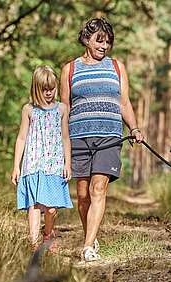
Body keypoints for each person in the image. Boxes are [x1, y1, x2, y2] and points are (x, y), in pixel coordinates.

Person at [60, 18, 145, 262]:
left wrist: (135, 127)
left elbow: (124, 103)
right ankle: (91, 235)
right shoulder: (70, 69)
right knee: (83, 195)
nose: (104, 46)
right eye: (100, 40)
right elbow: (65, 107)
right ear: (86, 39)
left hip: (109, 136)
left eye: (108, 42)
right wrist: (59, 137)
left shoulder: (117, 67)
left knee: (98, 188)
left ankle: (87, 246)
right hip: (77, 137)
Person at [11, 65, 73, 251]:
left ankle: (48, 233)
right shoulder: (29, 110)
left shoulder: (61, 109)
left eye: (51, 89)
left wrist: (67, 163)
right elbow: (21, 138)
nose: (48, 93)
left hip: (54, 165)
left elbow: (65, 137)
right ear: (36, 89)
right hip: (33, 163)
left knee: (52, 208)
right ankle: (34, 242)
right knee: (35, 205)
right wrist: (16, 166)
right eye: (44, 89)